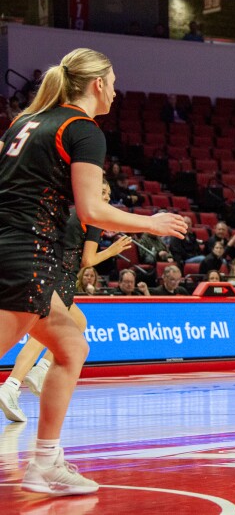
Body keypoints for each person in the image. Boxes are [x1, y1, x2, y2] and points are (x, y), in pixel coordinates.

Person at [0, 48, 185, 495]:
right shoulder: (82, 129)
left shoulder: (26, 122)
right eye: (114, 81)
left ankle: (45, 463)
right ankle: (45, 463)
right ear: (98, 84)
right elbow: (91, 209)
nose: (117, 91)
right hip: (26, 253)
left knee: (71, 346)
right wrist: (151, 222)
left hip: (14, 246)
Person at [0, 179, 132, 421]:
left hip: (53, 272)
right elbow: (88, 260)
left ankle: (39, 371)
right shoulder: (92, 216)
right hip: (60, 277)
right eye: (101, 190)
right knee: (40, 338)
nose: (104, 196)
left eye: (108, 192)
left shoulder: (74, 212)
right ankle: (11, 385)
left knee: (79, 323)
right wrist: (113, 251)